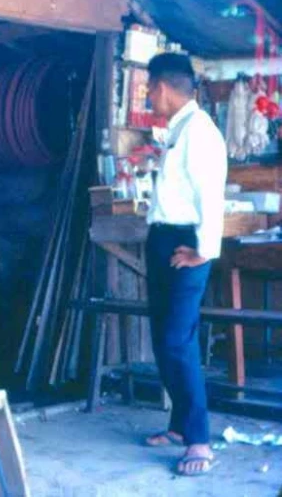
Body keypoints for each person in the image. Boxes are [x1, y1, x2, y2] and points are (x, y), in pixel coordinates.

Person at [142, 53, 227, 476]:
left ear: (163, 86)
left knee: (178, 340)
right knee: (163, 338)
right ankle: (178, 426)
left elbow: (211, 195)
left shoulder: (200, 132)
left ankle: (199, 440)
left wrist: (203, 250)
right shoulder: (177, 130)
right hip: (163, 239)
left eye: (148, 86)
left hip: (185, 243)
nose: (146, 94)